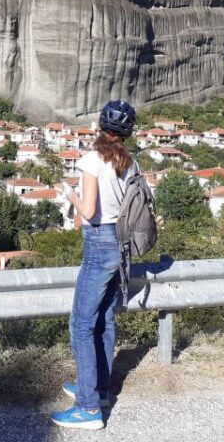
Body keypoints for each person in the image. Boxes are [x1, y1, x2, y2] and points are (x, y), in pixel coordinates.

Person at [51, 100, 137, 430]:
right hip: (121, 242)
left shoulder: (91, 159)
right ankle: (98, 388)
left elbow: (87, 211)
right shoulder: (130, 162)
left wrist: (70, 195)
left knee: (80, 324)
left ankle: (87, 408)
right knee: (103, 316)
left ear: (100, 126)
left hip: (99, 242)